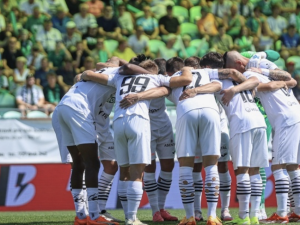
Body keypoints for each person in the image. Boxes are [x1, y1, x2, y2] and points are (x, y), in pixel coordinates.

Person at [81, 59, 193, 225]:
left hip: (118, 122)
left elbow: (89, 74)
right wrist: (188, 68)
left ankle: (128, 217)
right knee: (138, 172)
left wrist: (86, 73)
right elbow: (185, 80)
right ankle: (132, 219)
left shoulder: (119, 78)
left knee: (124, 171)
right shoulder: (154, 78)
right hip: (139, 122)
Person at [200, 52, 268, 225]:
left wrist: (231, 91)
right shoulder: (242, 78)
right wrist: (237, 88)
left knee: (243, 170)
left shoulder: (216, 80)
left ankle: (245, 217)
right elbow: (255, 81)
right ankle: (255, 216)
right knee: (255, 170)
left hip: (242, 122)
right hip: (259, 121)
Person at [52, 66, 121, 225]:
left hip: (63, 105)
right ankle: (95, 216)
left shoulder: (100, 75)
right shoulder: (116, 73)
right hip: (78, 108)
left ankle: (81, 216)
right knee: (92, 162)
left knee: (79, 163)